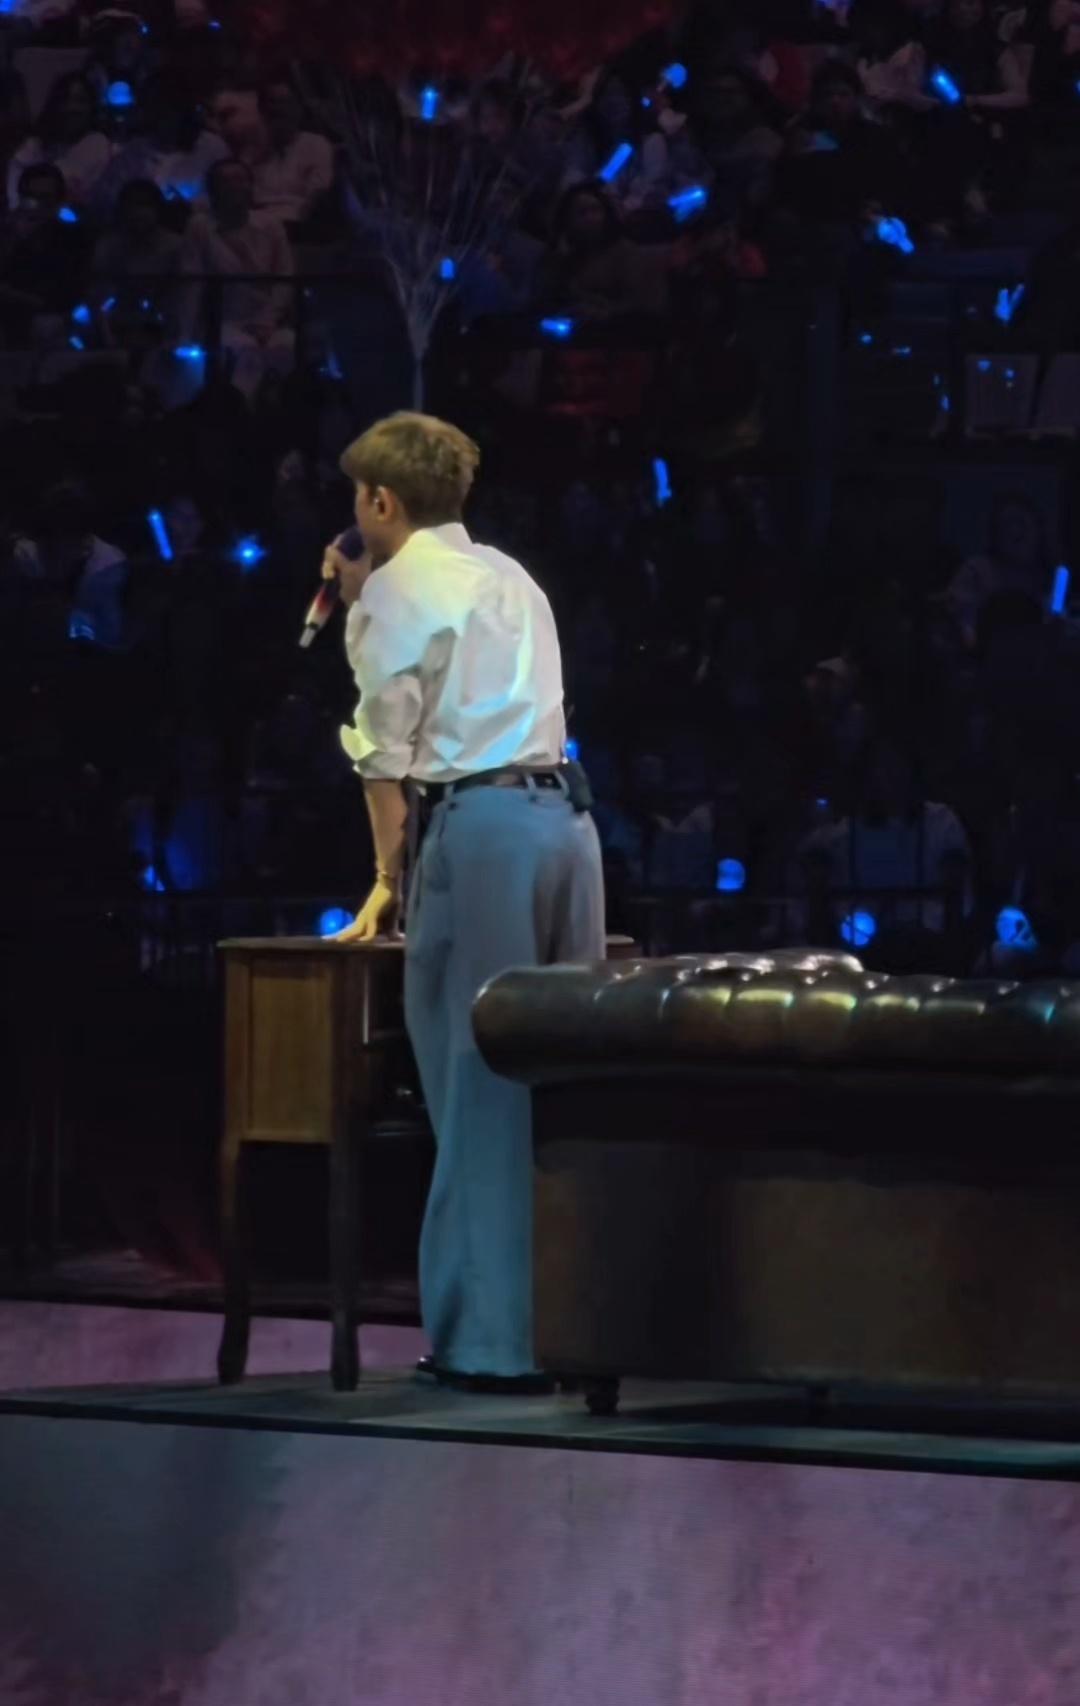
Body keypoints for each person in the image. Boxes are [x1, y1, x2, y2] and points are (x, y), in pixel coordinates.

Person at [325, 411, 605, 1392]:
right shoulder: (510, 574)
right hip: (568, 826)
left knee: (478, 1080)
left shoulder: (397, 586)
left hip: (482, 831)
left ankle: (489, 1345)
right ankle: (570, 1328)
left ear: (379, 501)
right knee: (558, 1084)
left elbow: (384, 753)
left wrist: (386, 879)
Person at [178, 155, 294, 401]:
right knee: (246, 353)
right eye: (226, 181)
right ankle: (240, 412)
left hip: (267, 319)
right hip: (223, 321)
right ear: (213, 190)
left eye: (240, 180)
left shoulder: (271, 225)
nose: (235, 186)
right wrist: (184, 335)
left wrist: (267, 321)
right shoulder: (199, 227)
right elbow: (192, 283)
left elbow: (284, 278)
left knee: (286, 347)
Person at [5, 71, 113, 211]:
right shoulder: (32, 146)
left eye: (80, 101)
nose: (71, 107)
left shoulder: (97, 144)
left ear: (92, 107)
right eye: (65, 100)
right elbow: (15, 199)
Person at [251, 77, 334, 228]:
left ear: (298, 108)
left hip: (298, 224)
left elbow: (318, 194)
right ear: (262, 110)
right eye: (272, 102)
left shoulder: (316, 144)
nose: (278, 109)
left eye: (285, 102)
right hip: (257, 223)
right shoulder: (252, 148)